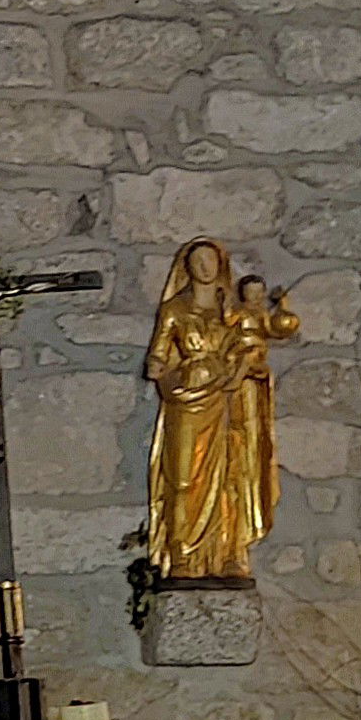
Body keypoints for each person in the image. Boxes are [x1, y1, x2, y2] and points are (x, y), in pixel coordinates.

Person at [137, 238, 299, 581]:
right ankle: (181, 552)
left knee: (230, 475)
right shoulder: (175, 310)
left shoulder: (233, 313)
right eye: (197, 261)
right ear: (187, 267)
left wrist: (245, 365)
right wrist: (159, 370)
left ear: (221, 265)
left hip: (226, 396)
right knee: (182, 476)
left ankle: (227, 552)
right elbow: (160, 353)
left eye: (210, 260)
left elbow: (254, 347)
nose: (205, 267)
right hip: (186, 397)